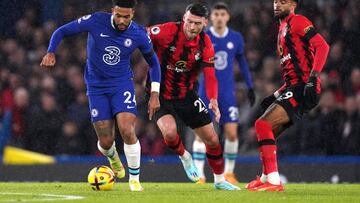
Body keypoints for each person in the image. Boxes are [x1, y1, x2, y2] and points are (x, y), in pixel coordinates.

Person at [40, 0, 161, 191]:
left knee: (127, 129)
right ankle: (113, 157)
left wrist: (155, 93)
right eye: (118, 15)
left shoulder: (138, 34)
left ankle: (135, 180)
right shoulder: (96, 21)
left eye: (126, 17)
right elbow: (61, 31)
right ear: (112, 11)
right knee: (105, 141)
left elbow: (154, 64)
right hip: (96, 86)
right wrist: (51, 52)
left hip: (122, 85)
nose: (122, 20)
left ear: (133, 14)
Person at [147, 3, 239, 190]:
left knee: (212, 139)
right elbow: (140, 34)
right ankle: (185, 156)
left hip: (186, 94)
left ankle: (220, 181)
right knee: (170, 133)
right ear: (184, 18)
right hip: (159, 94)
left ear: (205, 22)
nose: (191, 27)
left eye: (197, 23)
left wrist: (213, 99)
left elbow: (211, 75)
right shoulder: (166, 31)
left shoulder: (205, 44)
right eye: (189, 21)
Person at [245, 0, 329, 191]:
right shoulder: (282, 28)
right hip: (294, 86)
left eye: (282, 1)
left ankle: (274, 182)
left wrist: (313, 78)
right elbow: (292, 74)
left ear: (293, 4)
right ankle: (266, 177)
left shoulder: (298, 21)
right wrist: (275, 94)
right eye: (275, 1)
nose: (277, 4)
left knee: (262, 124)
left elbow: (323, 46)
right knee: (268, 131)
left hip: (304, 87)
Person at [192, 2, 255, 184]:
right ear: (211, 17)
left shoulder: (236, 38)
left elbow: (242, 63)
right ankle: (199, 174)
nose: (219, 17)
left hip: (227, 93)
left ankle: (228, 173)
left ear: (227, 17)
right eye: (216, 14)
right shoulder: (204, 37)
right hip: (206, 91)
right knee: (201, 133)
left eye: (222, 14)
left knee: (232, 133)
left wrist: (250, 86)